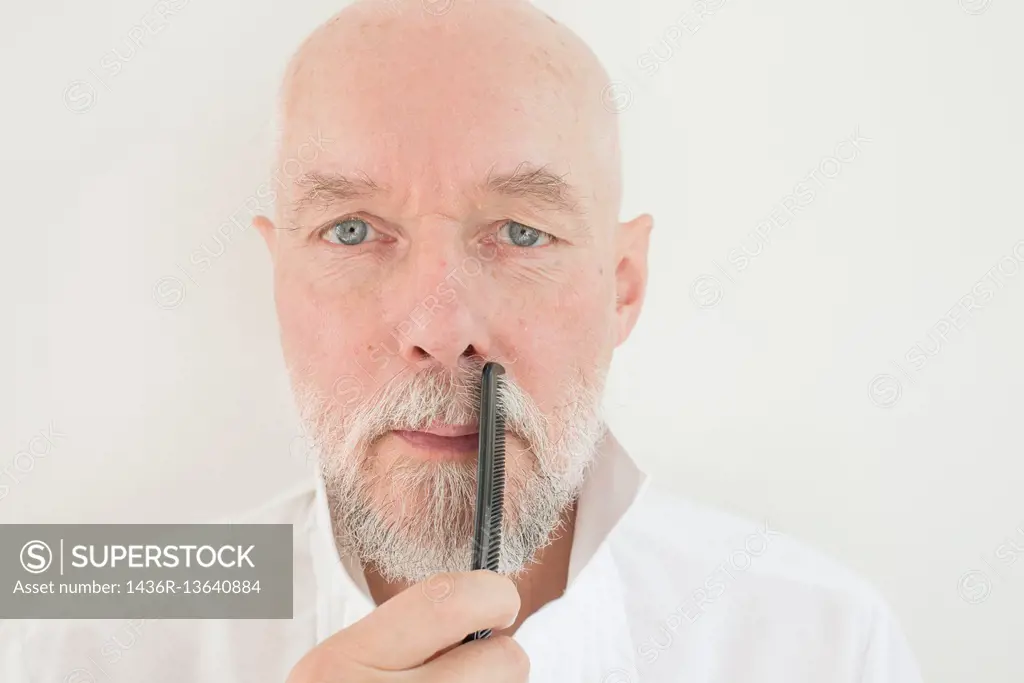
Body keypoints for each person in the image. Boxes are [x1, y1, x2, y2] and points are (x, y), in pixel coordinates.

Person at [3, 0, 922, 681]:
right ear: (277, 280)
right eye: (354, 231)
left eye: (520, 233)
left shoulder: (823, 642)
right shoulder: (83, 626)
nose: (442, 333)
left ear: (622, 286)